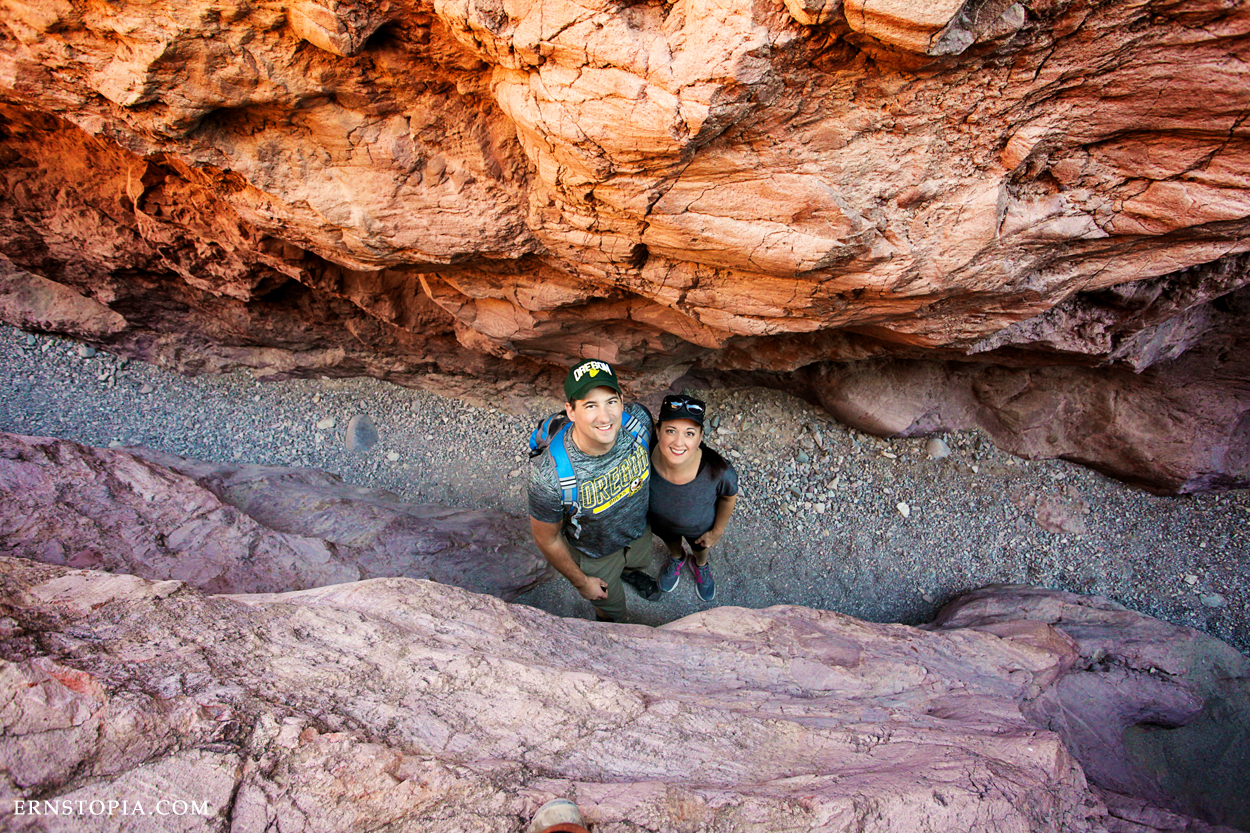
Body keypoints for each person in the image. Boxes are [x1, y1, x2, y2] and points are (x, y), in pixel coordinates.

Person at [529, 359, 660, 622]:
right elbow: (548, 539)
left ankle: (629, 571)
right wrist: (581, 582)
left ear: (622, 401)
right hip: (595, 553)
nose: (605, 416)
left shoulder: (640, 423)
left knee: (639, 560)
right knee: (612, 612)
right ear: (571, 411)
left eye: (611, 401)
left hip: (638, 531)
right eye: (590, 405)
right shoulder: (549, 477)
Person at [649, 394, 739, 602]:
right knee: (670, 541)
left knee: (700, 550)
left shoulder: (719, 471)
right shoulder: (643, 456)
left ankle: (699, 565)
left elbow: (728, 498)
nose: (678, 442)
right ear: (658, 431)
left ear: (699, 438)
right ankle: (677, 557)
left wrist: (717, 532)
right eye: (671, 431)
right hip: (661, 524)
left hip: (699, 529)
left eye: (689, 433)